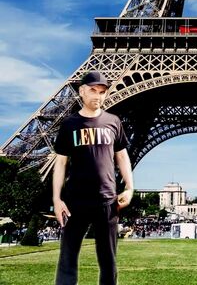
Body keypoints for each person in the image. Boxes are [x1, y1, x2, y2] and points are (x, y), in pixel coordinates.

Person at [53, 71, 134, 285]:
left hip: (107, 200)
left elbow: (122, 156)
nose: (97, 95)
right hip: (75, 201)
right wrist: (57, 199)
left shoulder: (113, 121)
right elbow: (60, 163)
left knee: (108, 260)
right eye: (93, 90)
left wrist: (130, 187)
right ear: (81, 91)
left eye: (102, 91)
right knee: (67, 258)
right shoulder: (69, 124)